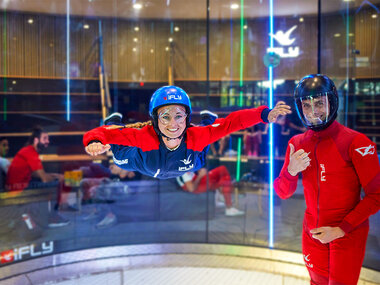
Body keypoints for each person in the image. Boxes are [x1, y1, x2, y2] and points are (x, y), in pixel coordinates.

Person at [273, 74, 380, 285]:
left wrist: (342, 229)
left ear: (332, 101)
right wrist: (290, 171)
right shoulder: (297, 143)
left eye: (319, 103)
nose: (313, 112)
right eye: (306, 105)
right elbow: (282, 192)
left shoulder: (356, 142)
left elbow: (376, 196)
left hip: (347, 233)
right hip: (312, 232)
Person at [84, 86, 291, 179]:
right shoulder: (144, 136)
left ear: (187, 117)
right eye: (165, 116)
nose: (173, 123)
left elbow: (232, 123)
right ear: (155, 120)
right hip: (145, 163)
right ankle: (115, 121)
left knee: (206, 143)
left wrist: (263, 114)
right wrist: (95, 140)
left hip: (187, 162)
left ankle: (209, 121)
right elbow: (101, 133)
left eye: (179, 116)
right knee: (119, 157)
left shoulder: (196, 136)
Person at [6, 126, 70, 228]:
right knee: (56, 184)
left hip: (17, 186)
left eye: (48, 139)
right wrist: (58, 178)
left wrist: (56, 175)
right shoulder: (30, 153)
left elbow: (38, 174)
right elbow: (44, 178)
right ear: (36, 140)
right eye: (44, 138)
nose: (47, 141)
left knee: (53, 180)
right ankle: (53, 217)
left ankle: (51, 213)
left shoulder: (28, 151)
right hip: (19, 189)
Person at [176, 166, 244, 216]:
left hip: (198, 181)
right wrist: (200, 176)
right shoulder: (181, 169)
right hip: (196, 187)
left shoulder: (183, 163)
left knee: (223, 178)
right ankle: (227, 201)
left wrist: (199, 171)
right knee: (222, 171)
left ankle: (224, 196)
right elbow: (191, 189)